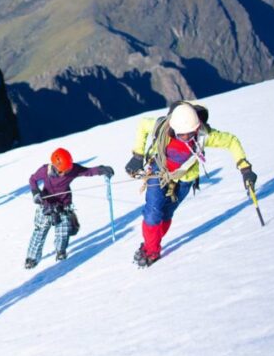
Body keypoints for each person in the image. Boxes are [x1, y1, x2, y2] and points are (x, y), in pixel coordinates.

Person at [124, 101, 257, 267]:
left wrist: (245, 168)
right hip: (159, 171)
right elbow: (143, 124)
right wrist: (137, 156)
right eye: (182, 135)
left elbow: (230, 141)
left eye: (191, 133)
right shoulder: (162, 127)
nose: (187, 138)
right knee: (153, 212)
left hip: (184, 179)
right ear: (173, 129)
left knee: (165, 214)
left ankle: (150, 245)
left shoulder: (203, 134)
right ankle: (151, 251)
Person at [25, 148, 114, 269]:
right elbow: (33, 179)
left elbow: (87, 171)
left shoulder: (72, 169)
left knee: (63, 230)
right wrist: (36, 193)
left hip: (63, 205)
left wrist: (101, 170)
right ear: (55, 167)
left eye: (68, 169)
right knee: (40, 231)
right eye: (63, 171)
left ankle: (60, 251)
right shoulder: (45, 170)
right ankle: (32, 258)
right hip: (45, 204)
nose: (66, 172)